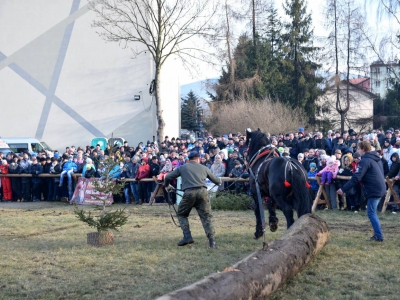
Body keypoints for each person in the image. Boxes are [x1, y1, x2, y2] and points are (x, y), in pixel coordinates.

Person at [164, 151, 221, 248]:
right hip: (203, 192)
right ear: (198, 159)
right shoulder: (204, 168)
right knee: (206, 217)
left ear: (188, 159)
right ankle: (212, 242)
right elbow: (216, 181)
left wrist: (167, 186)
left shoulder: (183, 167)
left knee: (181, 214)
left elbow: (168, 177)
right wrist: (219, 181)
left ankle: (187, 237)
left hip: (189, 193)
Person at [337, 141, 386, 242]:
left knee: (371, 213)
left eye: (358, 149)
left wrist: (343, 189)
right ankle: (378, 234)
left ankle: (378, 236)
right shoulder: (375, 158)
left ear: (363, 149)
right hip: (379, 187)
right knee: (372, 212)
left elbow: (356, 177)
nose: (357, 151)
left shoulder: (365, 161)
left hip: (374, 189)